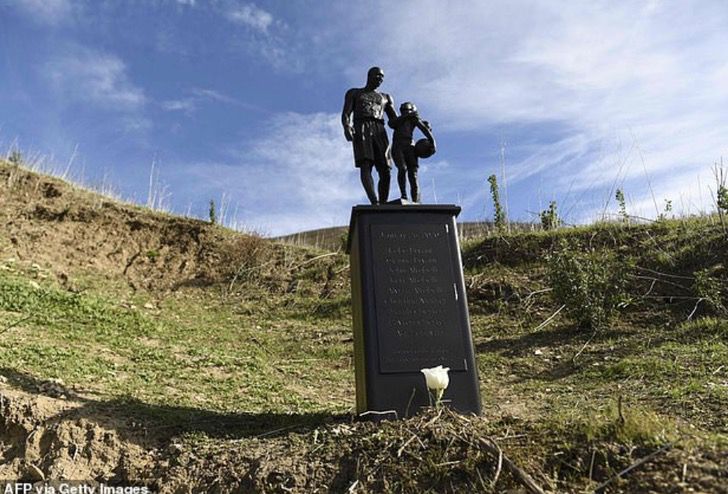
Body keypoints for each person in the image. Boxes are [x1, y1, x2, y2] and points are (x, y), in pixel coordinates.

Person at [342, 67, 397, 205]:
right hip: (362, 127)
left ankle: (383, 203)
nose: (380, 79)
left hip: (380, 129)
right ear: (369, 76)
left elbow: (394, 120)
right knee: (366, 164)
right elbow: (346, 113)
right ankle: (374, 201)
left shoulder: (386, 97)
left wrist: (409, 119)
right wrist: (347, 126)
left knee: (386, 168)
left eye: (382, 77)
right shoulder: (355, 93)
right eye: (378, 75)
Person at [389, 101, 436, 203]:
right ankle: (404, 195)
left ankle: (416, 200)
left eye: (407, 110)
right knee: (402, 168)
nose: (405, 112)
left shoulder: (413, 119)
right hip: (398, 146)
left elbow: (424, 129)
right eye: (403, 111)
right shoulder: (398, 120)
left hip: (410, 146)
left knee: (413, 175)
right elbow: (391, 123)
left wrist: (433, 142)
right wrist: (408, 116)